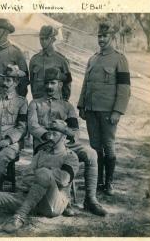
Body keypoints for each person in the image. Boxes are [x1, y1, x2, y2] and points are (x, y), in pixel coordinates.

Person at [0, 123, 79, 233]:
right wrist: (39, 177)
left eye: (55, 134)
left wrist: (43, 175)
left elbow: (63, 180)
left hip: (53, 204)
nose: (50, 136)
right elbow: (26, 177)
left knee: (44, 173)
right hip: (31, 199)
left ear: (65, 137)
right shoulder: (41, 153)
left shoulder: (70, 156)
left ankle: (19, 217)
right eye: (49, 133)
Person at [28, 67, 107, 216]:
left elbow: (75, 133)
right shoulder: (35, 104)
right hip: (45, 144)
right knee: (68, 157)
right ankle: (65, 201)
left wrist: (63, 130)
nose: (49, 87)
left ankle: (90, 199)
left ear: (60, 85)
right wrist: (47, 135)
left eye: (52, 83)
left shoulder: (67, 106)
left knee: (91, 154)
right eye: (46, 83)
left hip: (66, 142)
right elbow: (33, 127)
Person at [77, 21, 131, 196]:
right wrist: (82, 105)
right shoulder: (92, 58)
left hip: (108, 111)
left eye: (105, 36)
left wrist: (117, 111)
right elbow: (86, 84)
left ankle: (109, 183)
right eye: (99, 36)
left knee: (108, 146)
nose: (101, 39)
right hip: (92, 110)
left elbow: (124, 89)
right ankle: (96, 181)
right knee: (94, 147)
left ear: (112, 37)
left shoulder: (119, 59)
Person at [0, 18, 29, 98]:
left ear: (6, 32)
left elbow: (24, 79)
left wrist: (19, 100)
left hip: (8, 99)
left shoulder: (16, 52)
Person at [29, 25, 72, 100]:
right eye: (41, 39)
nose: (43, 41)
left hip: (55, 103)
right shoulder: (34, 60)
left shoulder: (62, 60)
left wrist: (64, 102)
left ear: (53, 39)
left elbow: (67, 83)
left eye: (46, 38)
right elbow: (32, 83)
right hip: (38, 102)